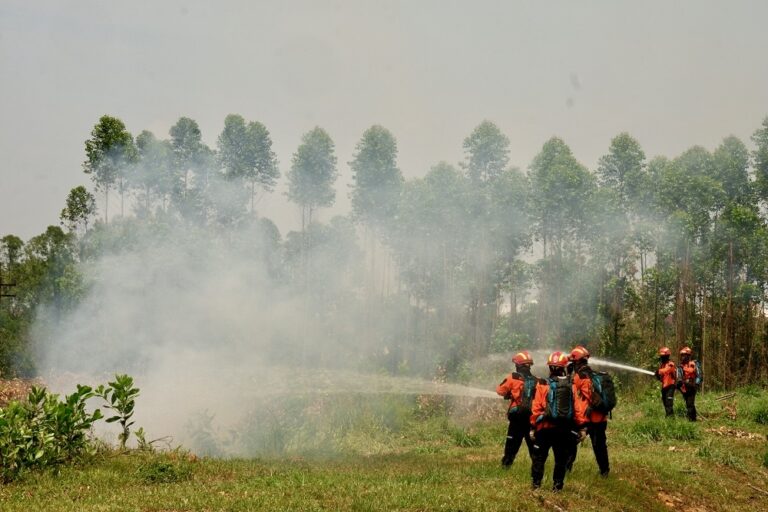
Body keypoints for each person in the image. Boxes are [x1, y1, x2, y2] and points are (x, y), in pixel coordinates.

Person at [529, 351, 586, 491]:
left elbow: (535, 408)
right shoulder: (571, 386)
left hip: (544, 428)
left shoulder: (542, 384)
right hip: (563, 429)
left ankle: (536, 485)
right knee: (560, 459)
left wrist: (532, 427)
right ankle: (557, 487)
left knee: (539, 458)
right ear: (564, 367)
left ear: (550, 368)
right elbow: (578, 409)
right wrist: (582, 428)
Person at [570, 345, 610, 476]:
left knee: (570, 444)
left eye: (573, 362)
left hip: (587, 419)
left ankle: (566, 469)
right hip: (600, 419)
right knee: (600, 447)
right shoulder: (592, 374)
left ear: (577, 361)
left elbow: (582, 395)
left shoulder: (580, 377)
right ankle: (604, 471)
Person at [496, 350, 537, 468]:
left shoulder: (513, 377)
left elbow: (500, 390)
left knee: (512, 443)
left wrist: (509, 393)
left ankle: (506, 465)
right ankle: (537, 466)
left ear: (518, 365)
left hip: (517, 417)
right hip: (531, 417)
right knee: (532, 445)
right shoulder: (536, 380)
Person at [676, 347, 702, 421]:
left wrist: (696, 384)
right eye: (682, 355)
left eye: (684, 355)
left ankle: (691, 420)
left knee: (690, 403)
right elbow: (679, 376)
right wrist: (679, 382)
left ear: (688, 355)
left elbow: (699, 375)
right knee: (688, 403)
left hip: (692, 385)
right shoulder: (680, 367)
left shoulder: (695, 364)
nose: (682, 357)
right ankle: (693, 418)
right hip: (684, 386)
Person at [654, 347, 677, 417]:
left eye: (663, 356)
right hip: (664, 386)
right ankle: (668, 416)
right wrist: (657, 376)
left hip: (671, 386)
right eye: (661, 356)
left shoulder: (671, 364)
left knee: (669, 402)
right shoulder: (662, 365)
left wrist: (659, 371)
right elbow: (661, 378)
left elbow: (667, 370)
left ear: (667, 356)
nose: (662, 358)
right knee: (665, 402)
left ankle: (671, 418)